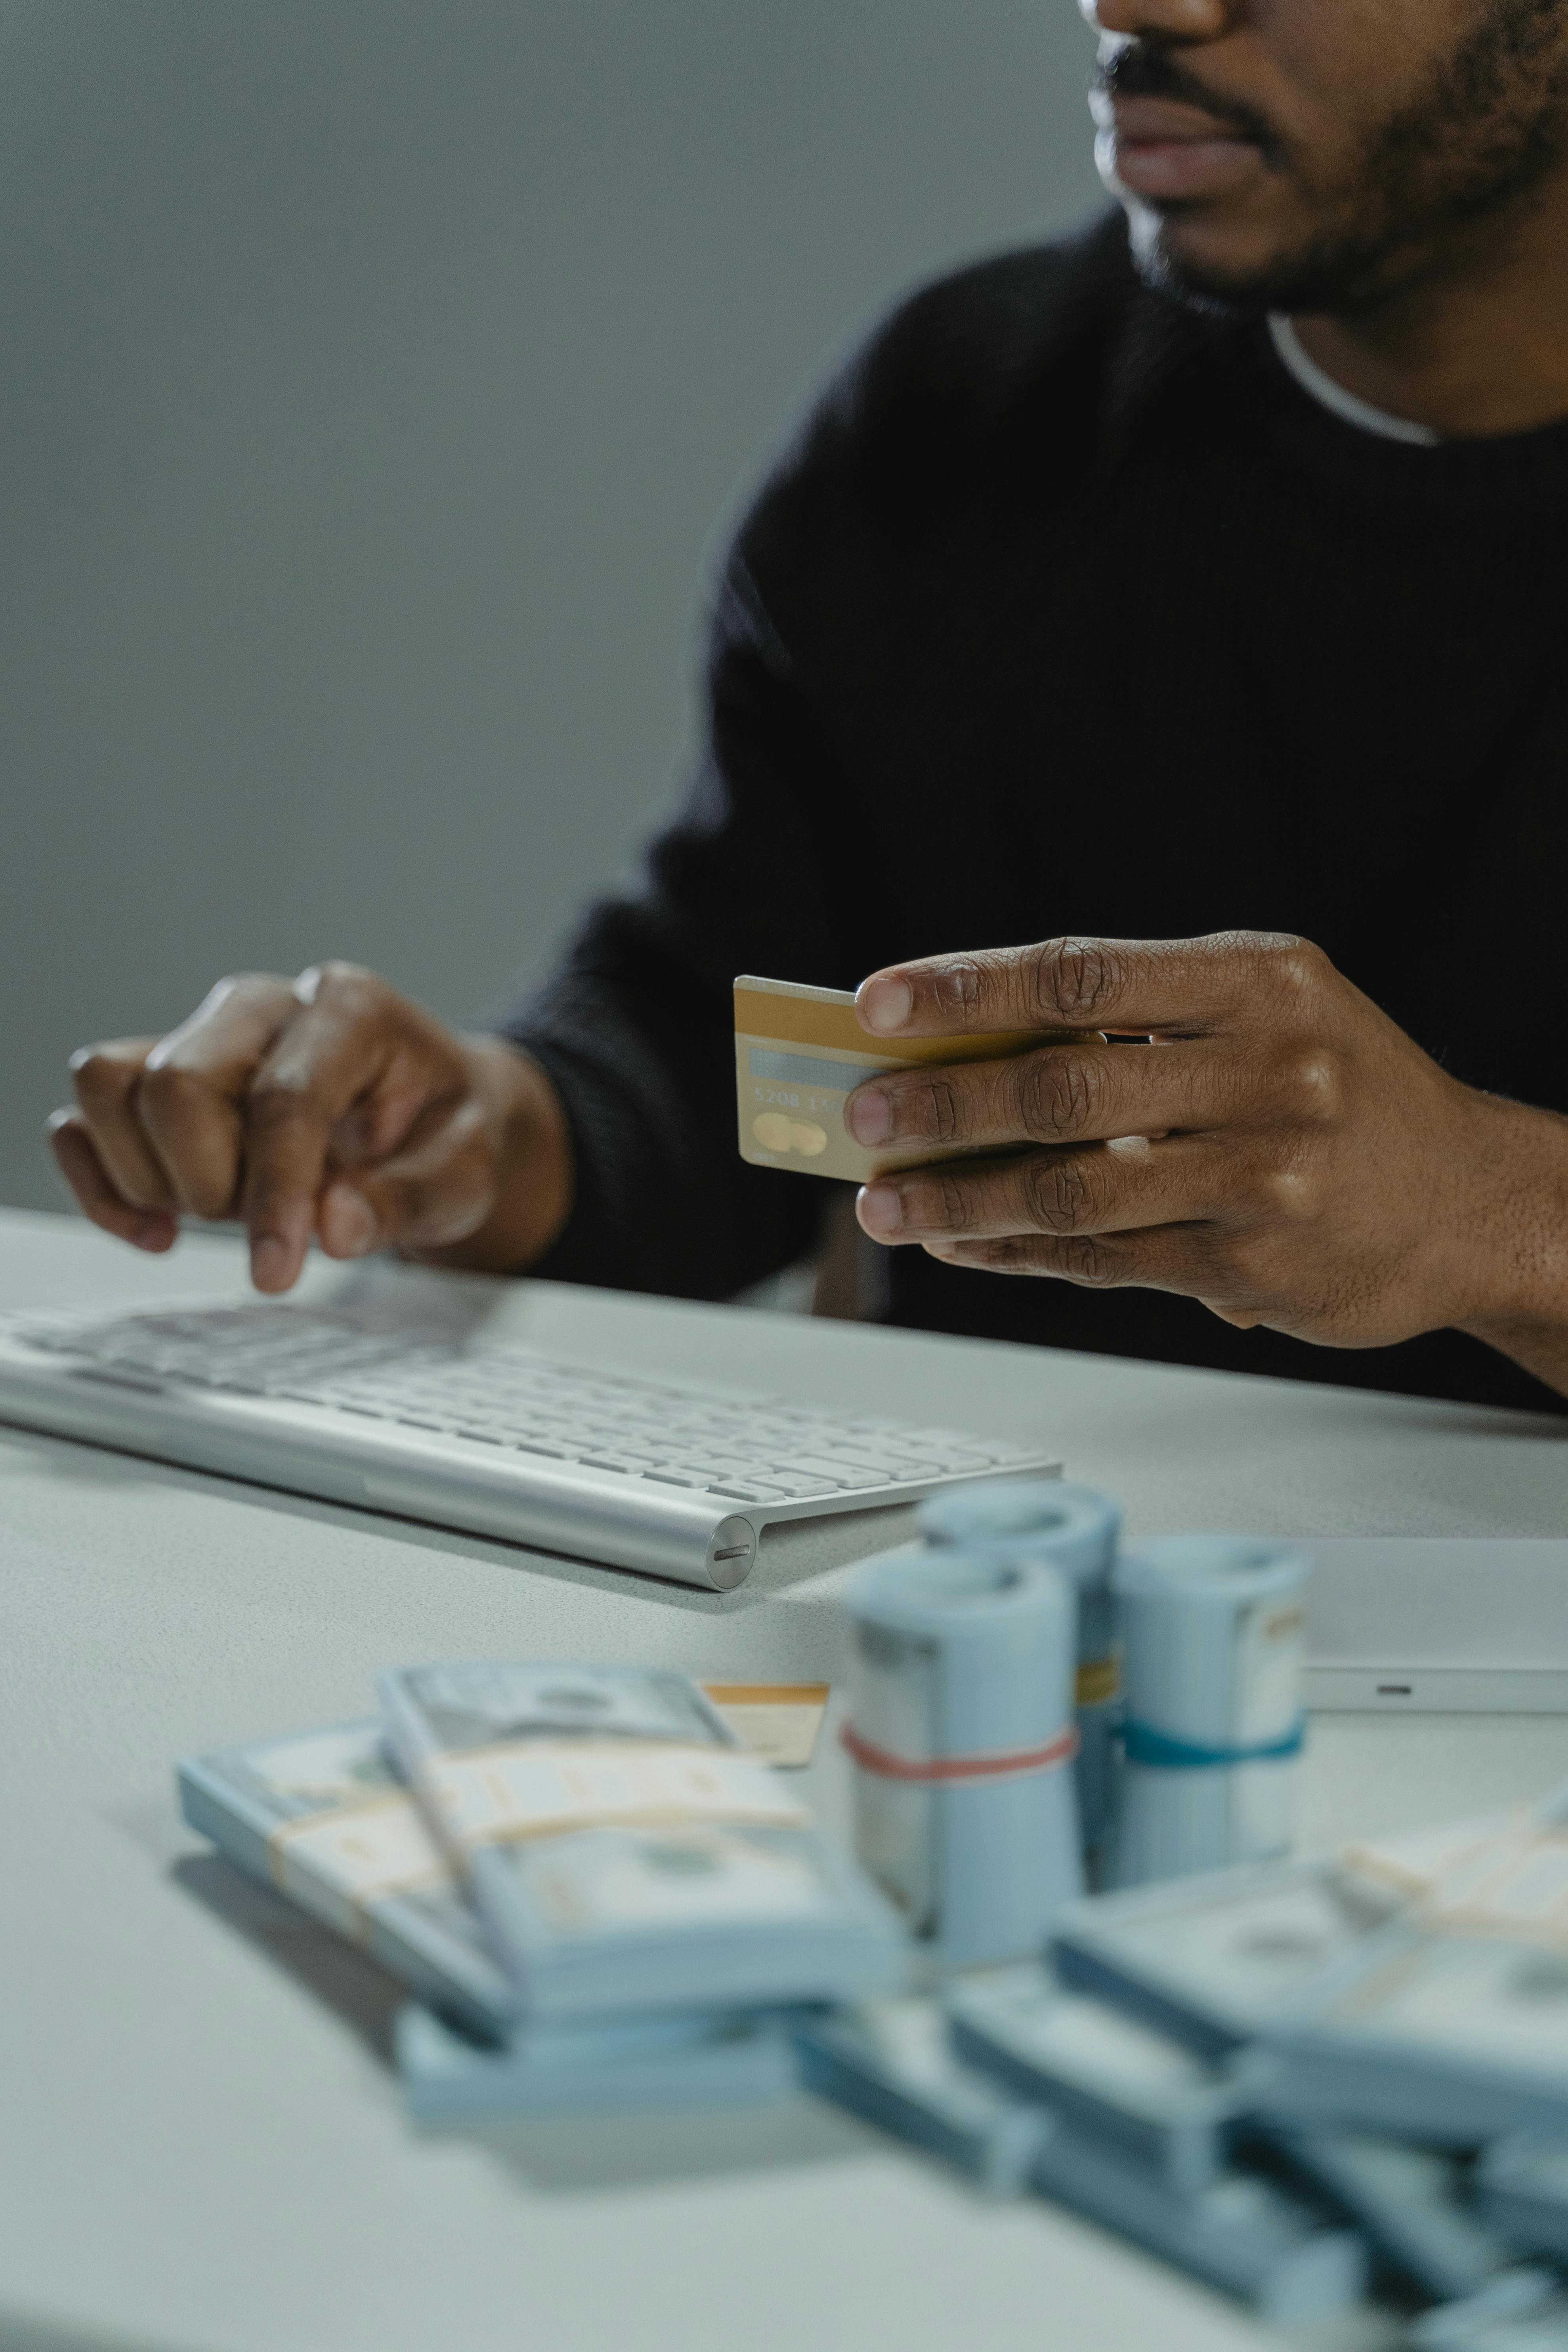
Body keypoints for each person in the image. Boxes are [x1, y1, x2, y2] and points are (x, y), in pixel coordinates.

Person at [48, 0, 1568, 1413]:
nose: (1136, 7)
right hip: (988, 1649)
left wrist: (1496, 1222)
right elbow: (745, 1068)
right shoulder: (973, 410)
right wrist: (481, 1139)